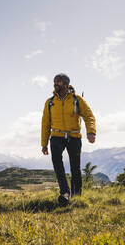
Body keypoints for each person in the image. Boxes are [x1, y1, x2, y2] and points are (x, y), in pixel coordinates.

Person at [41, 73, 96, 205]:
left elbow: (89, 116)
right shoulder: (50, 102)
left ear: (66, 84)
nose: (55, 84)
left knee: (75, 168)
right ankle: (65, 193)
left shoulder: (77, 99)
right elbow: (45, 123)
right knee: (58, 165)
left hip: (74, 137)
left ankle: (77, 196)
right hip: (56, 137)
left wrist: (91, 132)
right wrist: (44, 144)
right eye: (54, 82)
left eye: (58, 82)